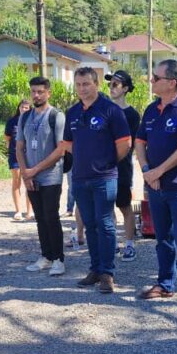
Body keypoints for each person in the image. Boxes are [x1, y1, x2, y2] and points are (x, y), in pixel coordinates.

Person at [135, 61, 177, 312]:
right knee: (162, 237)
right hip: (155, 185)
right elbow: (139, 141)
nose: (151, 80)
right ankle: (165, 284)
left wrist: (158, 171)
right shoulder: (152, 109)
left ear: (172, 82)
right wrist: (146, 171)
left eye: (156, 77)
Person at [62, 67, 131, 293]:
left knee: (105, 224)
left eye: (86, 84)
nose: (82, 88)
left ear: (96, 84)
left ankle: (107, 273)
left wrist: (106, 162)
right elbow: (67, 144)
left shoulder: (111, 110)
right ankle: (95, 269)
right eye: (78, 84)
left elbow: (125, 144)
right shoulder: (72, 112)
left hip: (105, 177)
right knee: (90, 225)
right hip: (80, 178)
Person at [18, 76, 67, 277]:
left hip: (51, 176)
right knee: (39, 218)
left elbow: (61, 149)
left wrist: (35, 170)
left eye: (40, 92)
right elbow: (19, 147)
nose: (36, 95)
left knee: (51, 216)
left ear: (48, 93)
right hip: (31, 177)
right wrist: (25, 174)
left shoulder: (56, 116)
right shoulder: (24, 117)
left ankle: (58, 259)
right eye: (33, 91)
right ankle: (46, 256)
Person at [105, 69, 142, 262]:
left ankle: (129, 244)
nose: (111, 87)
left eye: (115, 84)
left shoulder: (132, 115)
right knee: (106, 207)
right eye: (109, 84)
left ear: (125, 88)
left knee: (125, 206)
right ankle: (112, 243)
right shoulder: (103, 109)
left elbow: (130, 144)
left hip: (122, 167)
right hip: (103, 167)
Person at [5, 99, 32, 221]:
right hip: (14, 155)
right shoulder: (11, 121)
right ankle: (18, 211)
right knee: (16, 181)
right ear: (18, 108)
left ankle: (29, 211)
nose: (24, 109)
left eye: (26, 108)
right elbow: (7, 138)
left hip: (29, 156)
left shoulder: (33, 121)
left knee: (29, 182)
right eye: (22, 107)